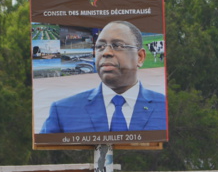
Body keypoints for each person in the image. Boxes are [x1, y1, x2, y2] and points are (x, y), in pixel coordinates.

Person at [39, 20, 167, 133]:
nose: (106, 52)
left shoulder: (164, 108)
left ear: (140, 57)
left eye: (117, 46)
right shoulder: (62, 112)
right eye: (100, 46)